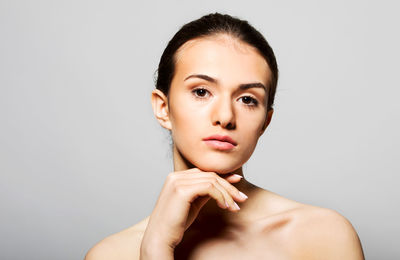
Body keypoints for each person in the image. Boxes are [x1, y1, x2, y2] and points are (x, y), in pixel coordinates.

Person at [85, 13, 364, 259]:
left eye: (247, 99)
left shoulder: (321, 235)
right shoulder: (112, 254)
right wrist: (155, 248)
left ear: (265, 122)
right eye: (201, 91)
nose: (226, 117)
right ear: (163, 108)